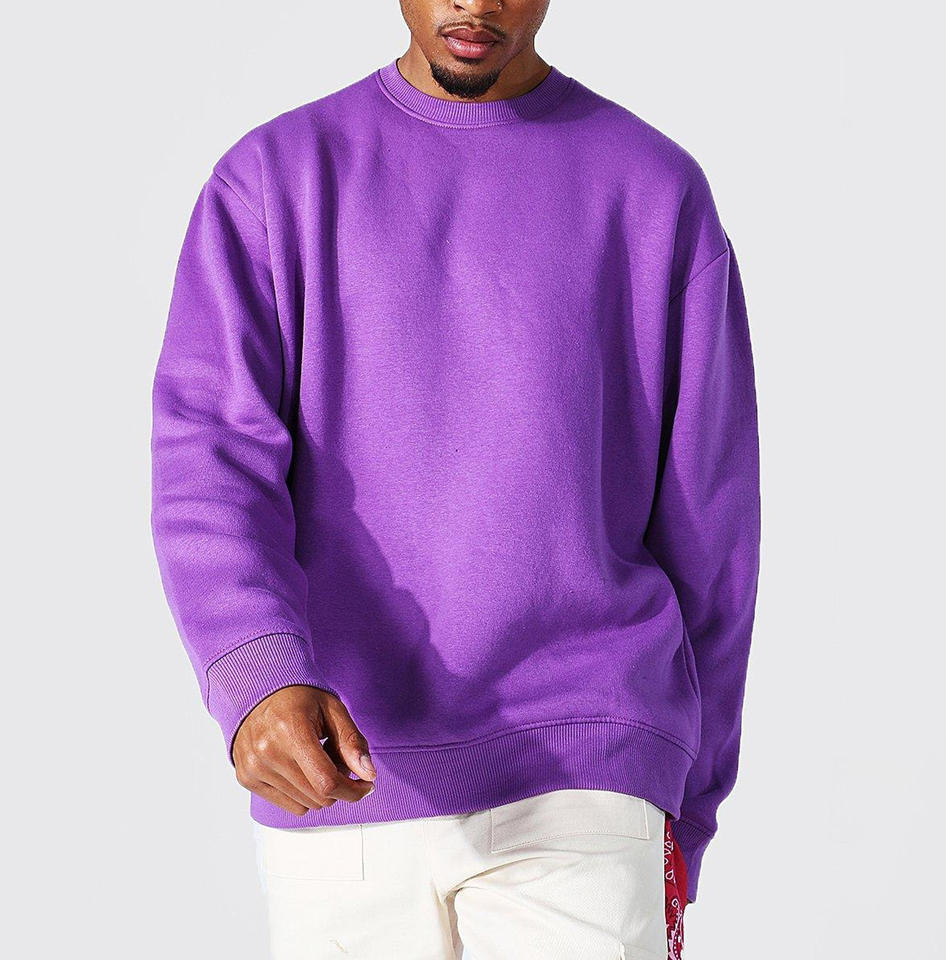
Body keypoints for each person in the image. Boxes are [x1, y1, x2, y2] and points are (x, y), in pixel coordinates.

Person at [150, 1, 761, 957]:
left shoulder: (653, 190)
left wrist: (688, 803)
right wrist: (257, 676)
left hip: (589, 771)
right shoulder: (275, 179)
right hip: (341, 771)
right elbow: (208, 461)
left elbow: (713, 530)